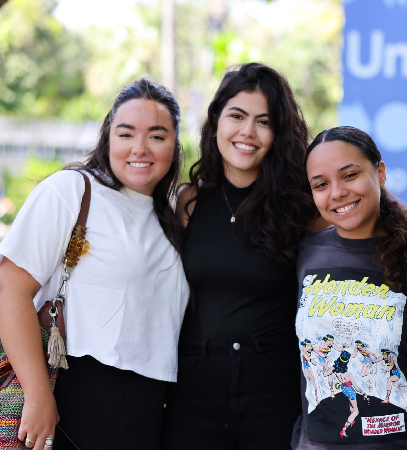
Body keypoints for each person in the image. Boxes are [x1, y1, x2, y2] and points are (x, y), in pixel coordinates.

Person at [0, 79, 190, 450]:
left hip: (146, 406)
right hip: (70, 390)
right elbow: (11, 289)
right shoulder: (72, 191)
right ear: (107, 139)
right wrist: (39, 396)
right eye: (126, 133)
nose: (140, 148)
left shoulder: (170, 218)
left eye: (157, 136)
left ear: (174, 146)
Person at [160, 63, 320, 449]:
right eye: (237, 116)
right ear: (216, 122)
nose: (247, 132)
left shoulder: (302, 205)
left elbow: (360, 229)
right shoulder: (190, 201)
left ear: (277, 133)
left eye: (263, 121)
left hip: (274, 391)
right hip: (195, 387)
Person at [294, 126, 407, 448]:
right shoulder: (303, 254)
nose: (337, 192)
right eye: (321, 184)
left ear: (380, 173)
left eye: (349, 175)